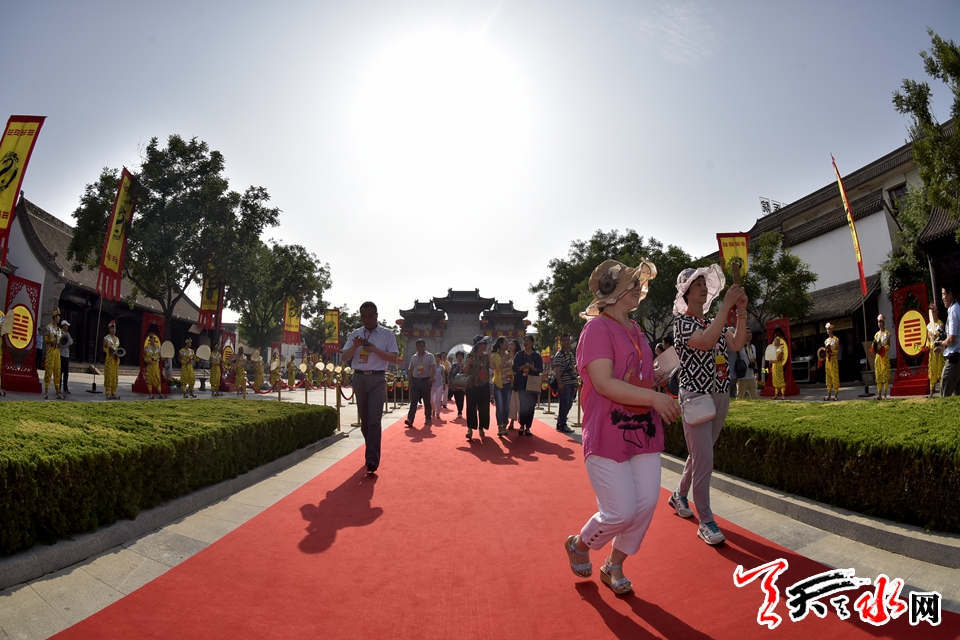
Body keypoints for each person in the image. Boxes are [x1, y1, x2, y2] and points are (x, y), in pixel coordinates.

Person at [563, 259, 681, 595]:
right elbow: (604, 383)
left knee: (644, 505)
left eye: (638, 283)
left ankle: (614, 564)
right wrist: (654, 398)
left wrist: (657, 375)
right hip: (607, 430)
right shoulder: (596, 329)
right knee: (620, 511)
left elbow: (634, 377)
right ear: (611, 292)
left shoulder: (636, 329)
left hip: (643, 428)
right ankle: (580, 543)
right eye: (632, 283)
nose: (638, 288)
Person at [668, 264, 747, 546]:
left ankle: (679, 495)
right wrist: (726, 308)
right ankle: (705, 521)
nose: (702, 288)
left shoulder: (714, 321)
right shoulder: (682, 324)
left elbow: (736, 343)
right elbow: (705, 342)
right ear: (686, 293)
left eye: (704, 283)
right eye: (696, 285)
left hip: (721, 394)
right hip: (696, 397)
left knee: (701, 454)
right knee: (705, 459)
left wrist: (741, 312)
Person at [342, 301, 399, 474]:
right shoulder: (356, 334)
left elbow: (393, 357)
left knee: (374, 420)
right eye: (364, 317)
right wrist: (355, 346)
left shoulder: (387, 334)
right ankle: (370, 449)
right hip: (359, 378)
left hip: (377, 378)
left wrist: (374, 349)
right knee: (365, 422)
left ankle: (372, 459)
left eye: (370, 316)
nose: (367, 320)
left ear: (376, 315)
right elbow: (344, 357)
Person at [463, 335, 492, 441]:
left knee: (484, 408)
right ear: (479, 345)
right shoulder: (470, 356)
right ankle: (470, 429)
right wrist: (468, 363)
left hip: (484, 385)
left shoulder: (486, 356)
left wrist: (490, 356)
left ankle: (481, 427)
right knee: (471, 408)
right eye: (484, 343)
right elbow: (465, 371)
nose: (485, 345)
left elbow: (492, 367)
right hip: (472, 386)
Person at [513, 334, 543, 437]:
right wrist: (523, 367)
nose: (525, 343)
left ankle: (528, 427)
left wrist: (533, 368)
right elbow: (514, 368)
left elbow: (540, 369)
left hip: (533, 382)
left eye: (527, 341)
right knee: (523, 405)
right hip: (522, 382)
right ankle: (522, 425)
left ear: (532, 343)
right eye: (524, 341)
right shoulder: (519, 355)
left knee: (531, 405)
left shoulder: (536, 355)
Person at [934, 282, 960, 397]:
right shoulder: (956, 308)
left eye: (944, 294)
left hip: (954, 360)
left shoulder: (953, 310)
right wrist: (942, 347)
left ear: (950, 294)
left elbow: (952, 338)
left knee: (944, 397)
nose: (942, 298)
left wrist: (941, 343)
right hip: (957, 358)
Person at [405, 339, 436, 427]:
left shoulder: (430, 356)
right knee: (414, 401)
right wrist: (409, 381)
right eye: (418, 347)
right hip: (415, 381)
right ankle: (410, 419)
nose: (419, 348)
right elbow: (411, 370)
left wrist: (432, 377)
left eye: (421, 346)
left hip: (426, 381)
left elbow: (433, 368)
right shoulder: (413, 357)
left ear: (424, 346)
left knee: (426, 401)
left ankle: (428, 418)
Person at [553, 334, 578, 434]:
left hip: (572, 382)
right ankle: (562, 424)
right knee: (564, 404)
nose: (567, 342)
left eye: (568, 340)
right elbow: (557, 371)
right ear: (561, 342)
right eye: (564, 340)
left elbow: (573, 366)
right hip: (564, 383)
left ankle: (560, 423)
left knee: (569, 404)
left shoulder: (570, 353)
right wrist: (560, 383)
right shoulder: (559, 355)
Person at [490, 337, 513, 436]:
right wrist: (504, 360)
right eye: (506, 343)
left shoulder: (509, 355)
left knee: (506, 407)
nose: (508, 344)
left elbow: (511, 368)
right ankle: (499, 427)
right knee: (500, 406)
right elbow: (497, 369)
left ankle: (504, 425)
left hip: (508, 384)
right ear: (500, 344)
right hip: (498, 384)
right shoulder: (494, 356)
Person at [43, 309, 64, 400]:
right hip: (50, 351)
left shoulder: (60, 331)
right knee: (49, 369)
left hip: (57, 352)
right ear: (55, 317)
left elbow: (62, 341)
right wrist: (52, 340)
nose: (59, 318)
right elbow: (46, 340)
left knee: (57, 371)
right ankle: (46, 391)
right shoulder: (48, 328)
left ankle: (58, 391)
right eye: (58, 316)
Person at [928, 303, 945, 398]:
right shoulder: (928, 326)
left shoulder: (940, 324)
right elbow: (927, 339)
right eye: (932, 312)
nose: (933, 314)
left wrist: (937, 336)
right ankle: (931, 390)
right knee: (932, 369)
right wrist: (926, 346)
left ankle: (942, 389)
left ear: (937, 313)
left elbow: (943, 336)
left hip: (939, 349)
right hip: (932, 351)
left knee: (941, 368)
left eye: (934, 312)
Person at [736, 327, 759, 399]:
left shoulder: (753, 347)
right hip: (742, 378)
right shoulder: (740, 347)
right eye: (747, 333)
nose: (749, 334)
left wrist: (756, 373)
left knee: (755, 398)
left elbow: (754, 360)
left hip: (751, 377)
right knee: (740, 398)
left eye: (750, 333)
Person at [873, 315, 892, 399]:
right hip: (878, 357)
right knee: (878, 374)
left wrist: (883, 348)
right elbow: (874, 345)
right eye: (878, 322)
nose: (879, 324)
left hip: (884, 356)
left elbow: (888, 346)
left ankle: (885, 394)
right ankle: (879, 394)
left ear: (883, 323)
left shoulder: (887, 333)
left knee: (885, 374)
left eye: (881, 322)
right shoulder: (876, 335)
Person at [822, 323, 841, 401]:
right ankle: (829, 394)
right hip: (828, 361)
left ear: (832, 330)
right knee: (828, 377)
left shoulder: (836, 340)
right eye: (827, 329)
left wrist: (832, 352)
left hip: (833, 359)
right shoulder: (826, 341)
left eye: (829, 329)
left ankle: (835, 394)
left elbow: (838, 350)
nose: (828, 331)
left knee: (835, 376)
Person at [103, 320, 121, 400]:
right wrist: (108, 349)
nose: (113, 330)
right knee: (108, 375)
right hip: (109, 359)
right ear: (109, 329)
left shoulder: (117, 339)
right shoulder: (106, 338)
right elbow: (103, 348)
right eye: (112, 328)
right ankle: (108, 392)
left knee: (114, 376)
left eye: (114, 328)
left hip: (115, 359)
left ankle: (114, 392)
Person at [144, 334, 165, 399]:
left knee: (157, 378)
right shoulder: (147, 348)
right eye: (150, 338)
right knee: (150, 379)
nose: (151, 340)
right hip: (150, 365)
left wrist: (165, 358)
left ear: (154, 339)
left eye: (152, 338)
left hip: (156, 365)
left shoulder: (158, 348)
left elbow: (161, 357)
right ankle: (150, 393)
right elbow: (144, 356)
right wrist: (147, 360)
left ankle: (159, 392)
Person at [506, 339, 521, 429]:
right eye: (509, 344)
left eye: (512, 345)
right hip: (506, 381)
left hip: (516, 382)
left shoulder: (518, 357)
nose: (510, 346)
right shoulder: (505, 356)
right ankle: (507, 420)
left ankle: (513, 421)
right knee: (509, 403)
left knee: (515, 402)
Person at [448, 351, 466, 418]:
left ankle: (460, 411)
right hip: (455, 385)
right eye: (458, 356)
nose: (459, 357)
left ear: (463, 357)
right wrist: (449, 382)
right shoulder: (454, 366)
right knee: (457, 398)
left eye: (460, 356)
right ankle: (459, 409)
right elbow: (450, 374)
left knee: (461, 398)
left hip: (463, 385)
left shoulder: (465, 365)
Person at [770, 333, 787, 400]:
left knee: (780, 380)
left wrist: (772, 361)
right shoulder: (774, 350)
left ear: (778, 342)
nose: (774, 341)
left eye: (775, 340)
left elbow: (778, 358)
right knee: (775, 380)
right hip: (774, 366)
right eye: (774, 340)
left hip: (778, 366)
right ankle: (776, 394)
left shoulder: (780, 349)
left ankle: (783, 394)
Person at [59, 320, 73, 394]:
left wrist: (67, 344)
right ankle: (58, 387)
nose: (67, 327)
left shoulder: (67, 334)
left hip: (66, 355)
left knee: (66, 373)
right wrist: (64, 344)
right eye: (66, 325)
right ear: (63, 326)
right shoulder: (59, 333)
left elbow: (71, 341)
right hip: (61, 354)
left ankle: (65, 388)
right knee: (60, 372)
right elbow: (60, 342)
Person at [430, 353, 445, 419]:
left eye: (438, 357)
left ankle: (438, 413)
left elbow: (443, 376)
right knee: (432, 400)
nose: (437, 359)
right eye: (436, 357)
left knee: (438, 398)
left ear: (440, 359)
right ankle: (433, 409)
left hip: (439, 384)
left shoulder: (442, 367)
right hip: (432, 385)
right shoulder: (431, 366)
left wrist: (444, 383)